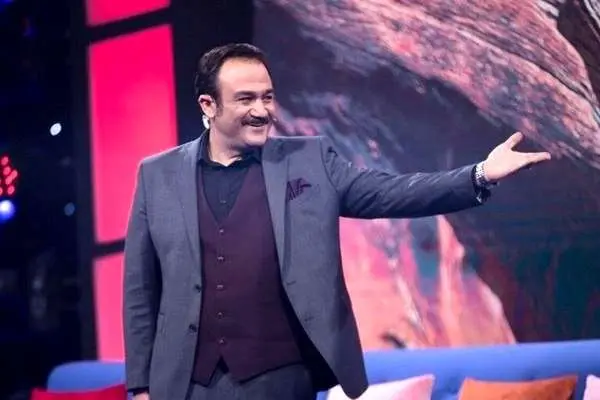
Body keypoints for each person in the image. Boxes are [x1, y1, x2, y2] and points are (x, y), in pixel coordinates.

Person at [123, 43, 551, 400]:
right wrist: (140, 386)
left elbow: (392, 192)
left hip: (280, 378)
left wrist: (480, 174)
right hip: (185, 384)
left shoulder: (308, 160)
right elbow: (140, 290)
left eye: (267, 97)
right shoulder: (157, 175)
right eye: (246, 99)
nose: (262, 110)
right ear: (208, 105)